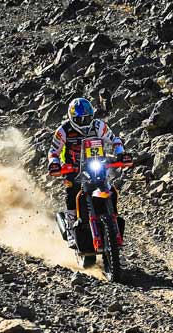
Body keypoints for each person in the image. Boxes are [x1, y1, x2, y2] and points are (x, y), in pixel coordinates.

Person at [47, 97, 128, 250]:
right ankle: (71, 231)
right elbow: (53, 151)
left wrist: (120, 153)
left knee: (111, 191)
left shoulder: (98, 126)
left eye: (87, 118)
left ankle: (113, 222)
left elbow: (115, 140)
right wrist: (54, 164)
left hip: (97, 165)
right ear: (72, 118)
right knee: (72, 194)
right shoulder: (63, 131)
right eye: (80, 119)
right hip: (74, 169)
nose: (84, 122)